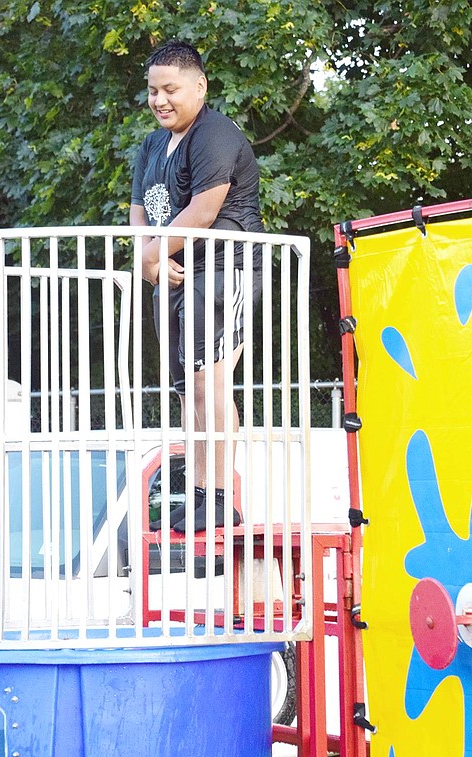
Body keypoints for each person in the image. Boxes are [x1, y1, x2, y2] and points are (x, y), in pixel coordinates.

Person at [130, 39, 264, 532]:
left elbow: (204, 212)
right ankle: (200, 491)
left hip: (224, 266)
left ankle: (223, 494)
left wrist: (151, 257)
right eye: (152, 91)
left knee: (211, 381)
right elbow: (140, 213)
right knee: (188, 389)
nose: (160, 100)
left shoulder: (214, 134)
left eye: (170, 89)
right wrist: (150, 261)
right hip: (172, 270)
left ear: (200, 86)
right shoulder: (149, 146)